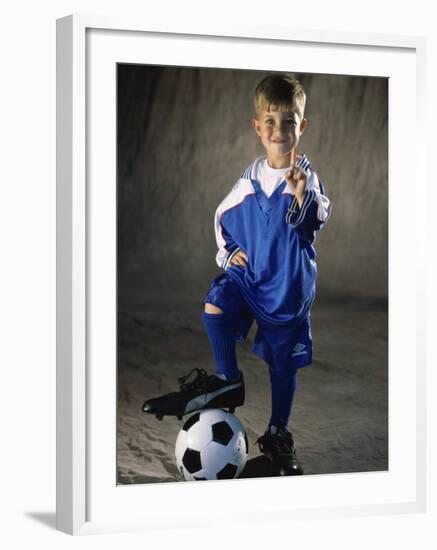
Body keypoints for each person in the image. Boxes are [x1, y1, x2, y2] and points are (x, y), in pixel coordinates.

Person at [143, 73, 331, 476]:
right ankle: (228, 379)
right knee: (215, 304)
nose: (279, 130)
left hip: (287, 294)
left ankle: (278, 432)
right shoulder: (248, 180)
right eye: (270, 121)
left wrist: (302, 196)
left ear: (302, 126)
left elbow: (315, 219)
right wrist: (228, 255)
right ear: (257, 127)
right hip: (252, 282)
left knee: (283, 367)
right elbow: (221, 217)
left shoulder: (306, 177)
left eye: (288, 121)